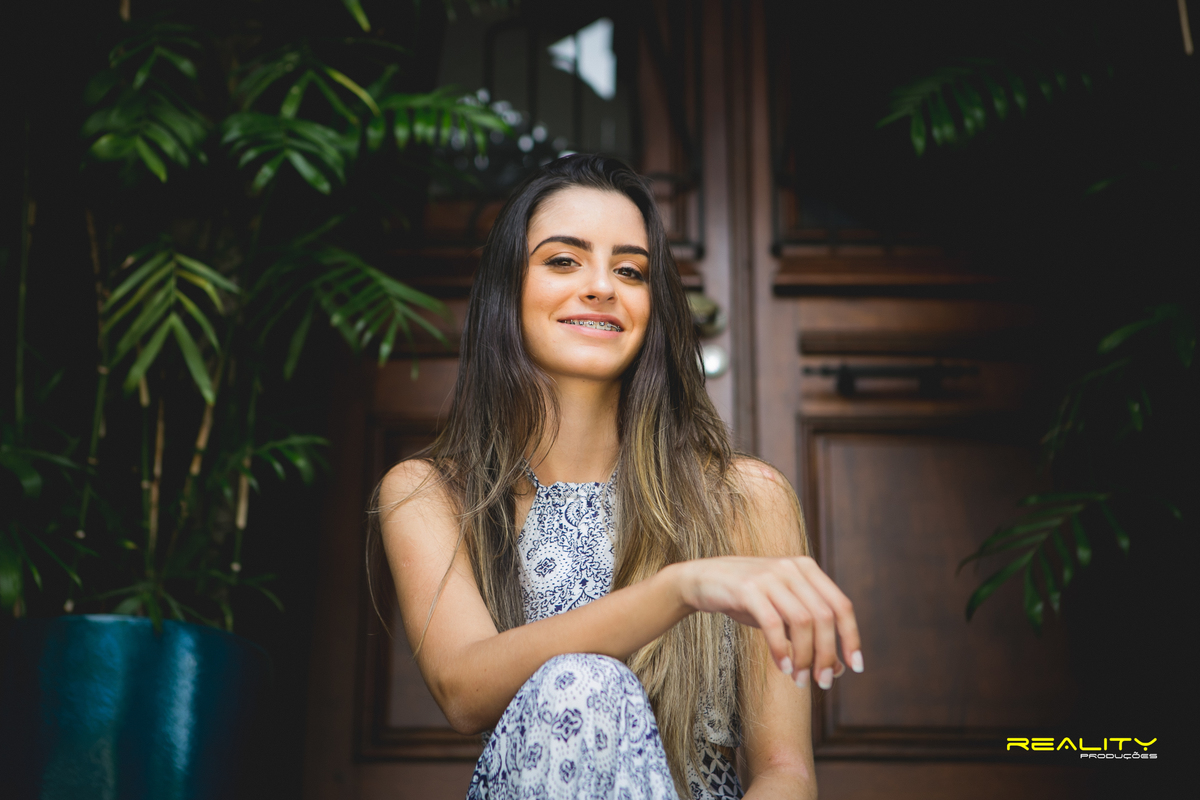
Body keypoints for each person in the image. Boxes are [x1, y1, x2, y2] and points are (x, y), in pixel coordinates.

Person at [376, 154, 862, 800]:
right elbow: (462, 689)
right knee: (581, 686)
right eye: (563, 261)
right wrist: (679, 588)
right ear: (505, 289)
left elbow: (786, 772)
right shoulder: (429, 493)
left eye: (630, 271)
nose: (602, 286)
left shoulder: (744, 498)